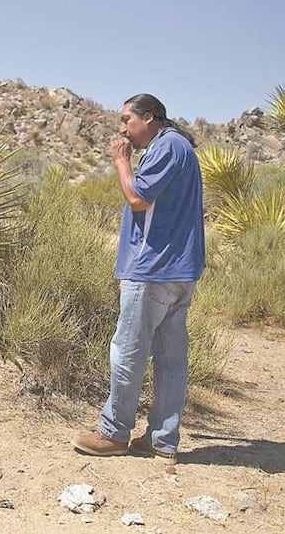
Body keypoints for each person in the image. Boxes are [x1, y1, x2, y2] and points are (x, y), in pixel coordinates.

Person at [73, 93, 205, 459]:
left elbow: (138, 199)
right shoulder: (178, 148)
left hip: (154, 270)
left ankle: (113, 432)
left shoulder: (166, 147)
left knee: (128, 350)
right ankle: (161, 439)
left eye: (126, 120)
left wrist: (121, 161)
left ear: (149, 118)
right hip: (178, 270)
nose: (122, 129)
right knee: (170, 358)